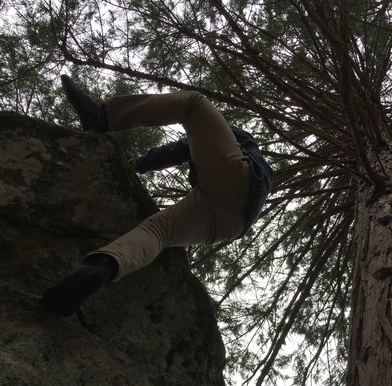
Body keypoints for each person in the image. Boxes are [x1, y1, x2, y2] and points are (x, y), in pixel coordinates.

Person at [42, 75, 273, 316]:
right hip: (231, 226)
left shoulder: (240, 138)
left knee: (192, 104)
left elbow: (181, 148)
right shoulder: (224, 163)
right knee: (159, 232)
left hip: (239, 180)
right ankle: (104, 266)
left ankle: (103, 117)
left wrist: (137, 165)